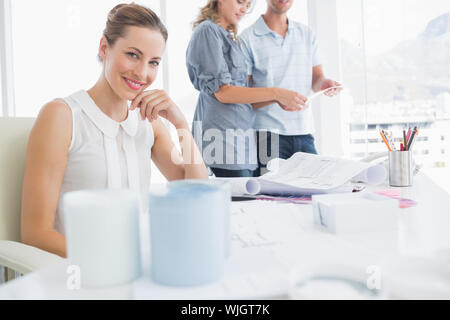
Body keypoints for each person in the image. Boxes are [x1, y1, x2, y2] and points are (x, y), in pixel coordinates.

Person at [21, 3, 208, 258]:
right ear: (103, 48)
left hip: (138, 270)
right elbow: (35, 234)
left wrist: (181, 125)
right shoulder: (61, 116)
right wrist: (110, 262)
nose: (143, 73)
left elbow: (198, 197)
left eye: (153, 62)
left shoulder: (149, 122)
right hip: (81, 276)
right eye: (132, 54)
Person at [186, 0, 306, 178]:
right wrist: (276, 92)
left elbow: (240, 95)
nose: (244, 9)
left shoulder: (230, 38)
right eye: (240, 1)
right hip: (222, 143)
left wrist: (277, 99)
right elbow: (224, 93)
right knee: (234, 204)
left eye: (248, 5)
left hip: (241, 145)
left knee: (248, 203)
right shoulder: (207, 31)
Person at [240, 0, 342, 176]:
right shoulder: (247, 39)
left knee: (315, 191)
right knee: (270, 199)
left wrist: (324, 84)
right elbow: (243, 98)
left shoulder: (306, 34)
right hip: (266, 137)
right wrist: (277, 96)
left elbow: (317, 78)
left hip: (304, 133)